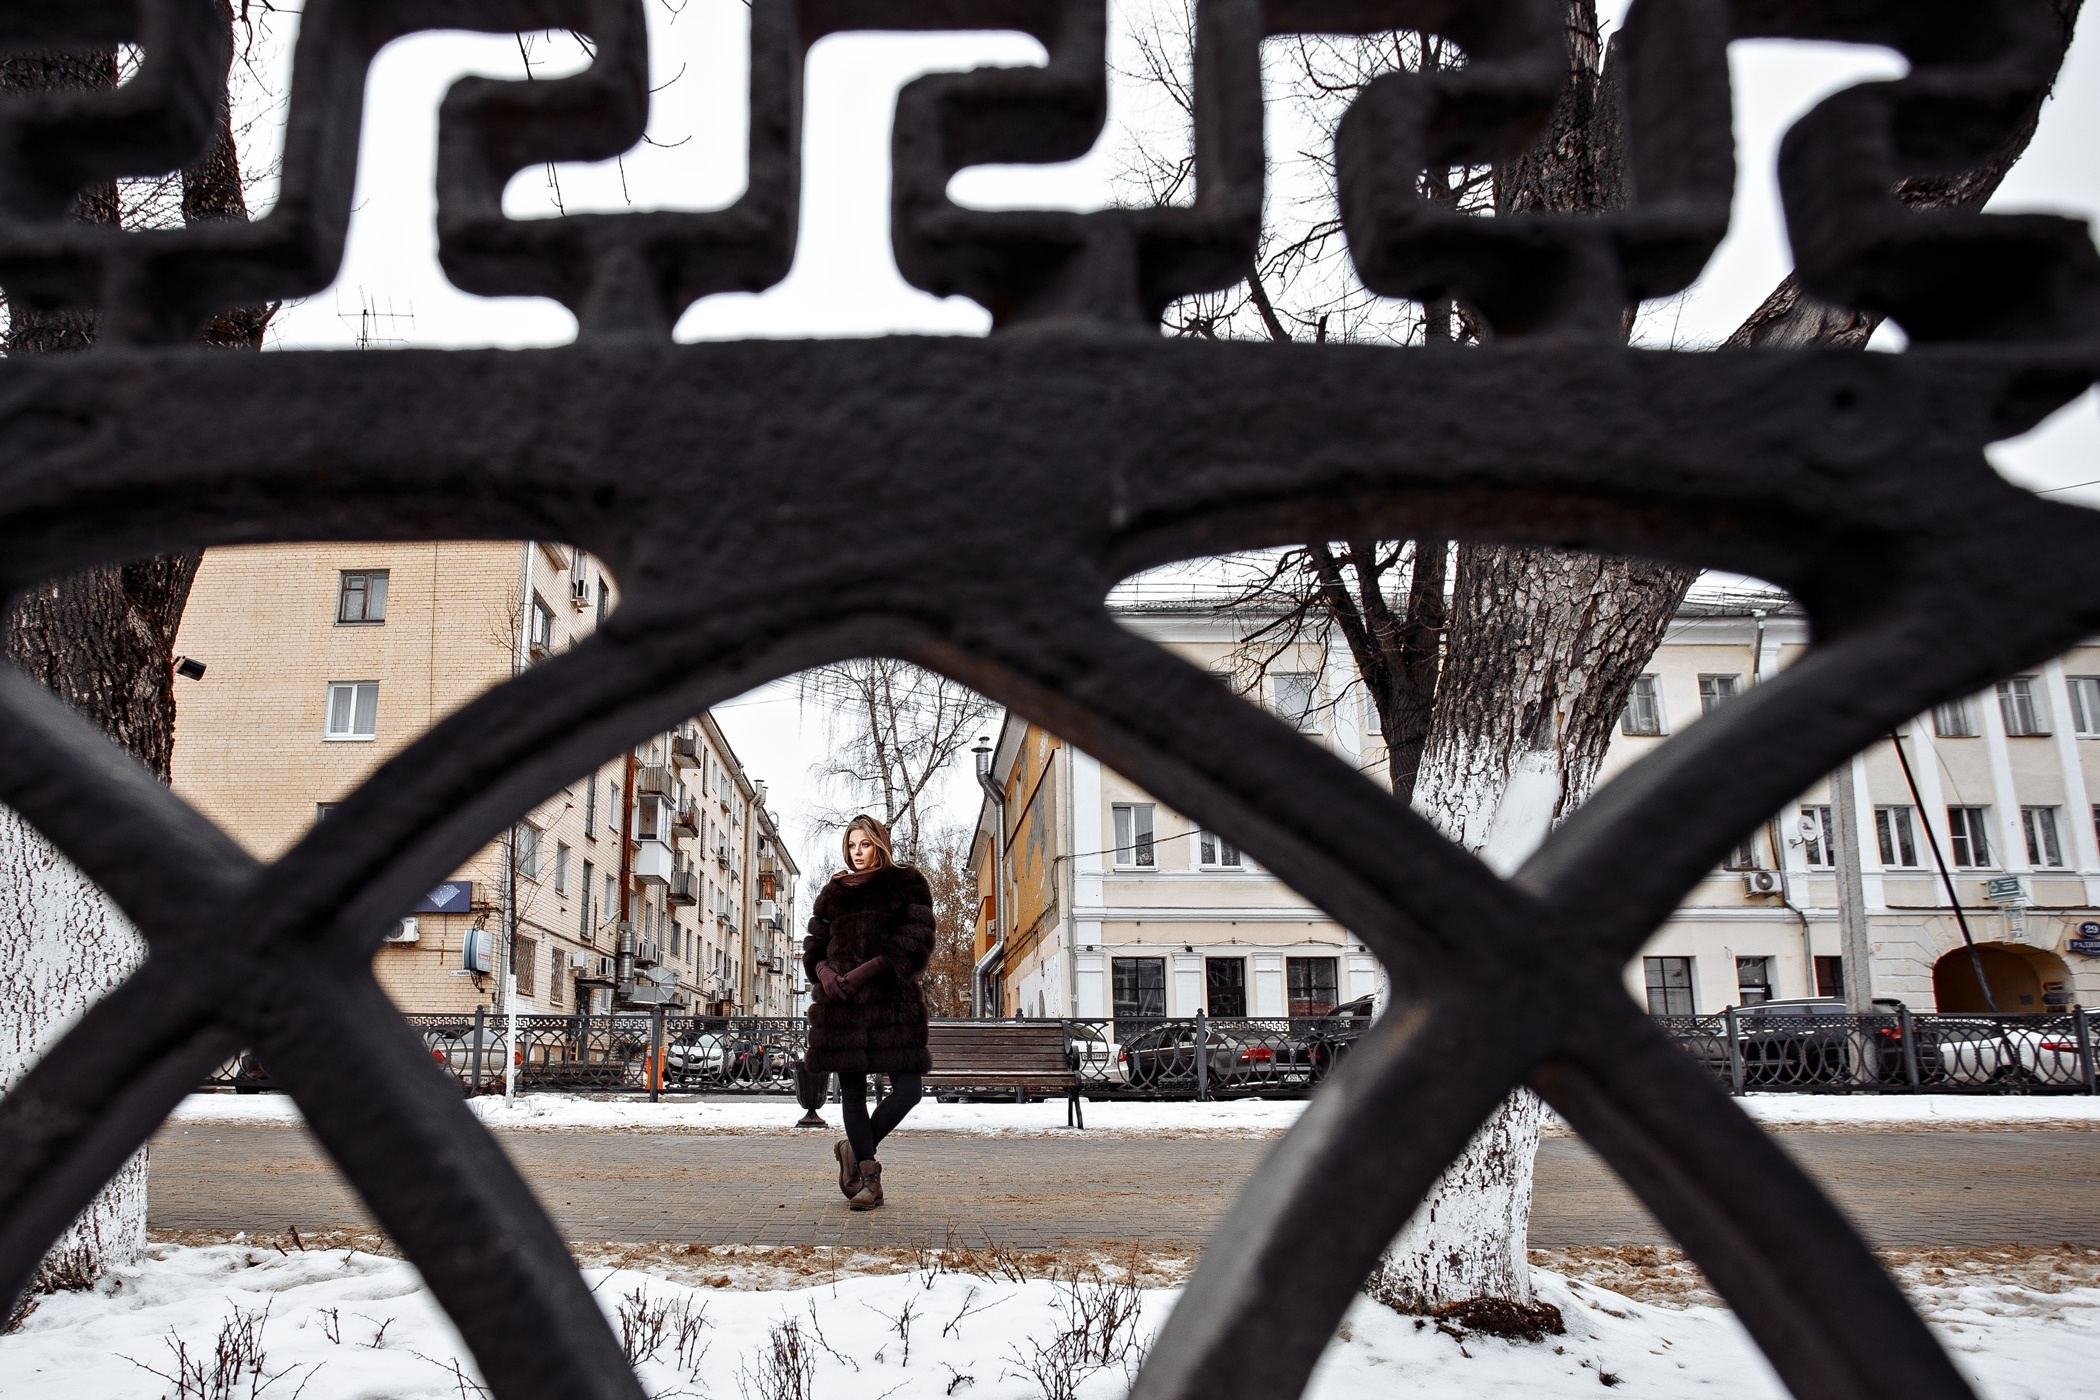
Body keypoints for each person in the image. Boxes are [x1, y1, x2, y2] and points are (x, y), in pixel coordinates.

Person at [802, 814, 936, 1210]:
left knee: (909, 1091)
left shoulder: (907, 883)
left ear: (879, 844)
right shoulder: (834, 891)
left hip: (893, 1007)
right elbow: (815, 945)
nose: (857, 853)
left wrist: (863, 972)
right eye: (851, 846)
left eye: (864, 845)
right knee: (854, 1093)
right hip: (842, 1007)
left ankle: (853, 1147)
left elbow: (916, 942)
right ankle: (869, 1179)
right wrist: (825, 973)